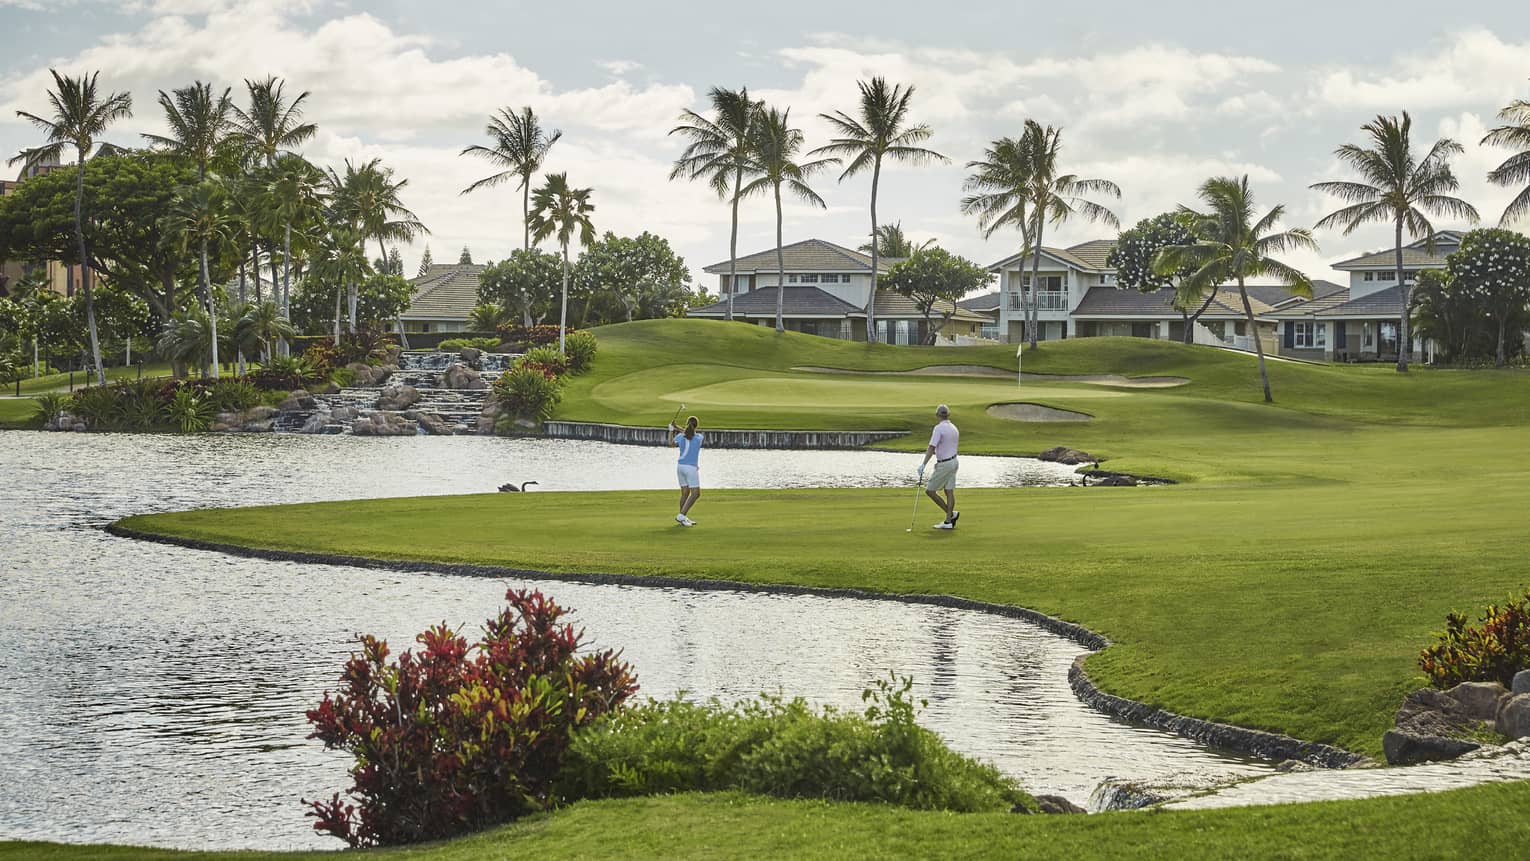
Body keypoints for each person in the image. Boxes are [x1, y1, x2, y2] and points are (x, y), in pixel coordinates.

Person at [918, 404, 960, 529]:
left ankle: (951, 515)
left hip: (945, 464)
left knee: (930, 491)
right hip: (954, 462)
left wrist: (923, 464)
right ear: (948, 415)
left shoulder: (938, 428)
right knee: (949, 491)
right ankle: (948, 521)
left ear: (937, 415)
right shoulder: (954, 428)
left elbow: (932, 447)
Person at [669, 415, 703, 526]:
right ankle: (681, 515)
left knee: (685, 493)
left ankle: (682, 519)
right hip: (690, 468)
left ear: (687, 424)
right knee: (696, 493)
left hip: (680, 467)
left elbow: (671, 444)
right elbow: (689, 433)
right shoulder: (699, 437)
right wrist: (677, 427)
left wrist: (671, 430)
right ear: (696, 426)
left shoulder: (680, 436)